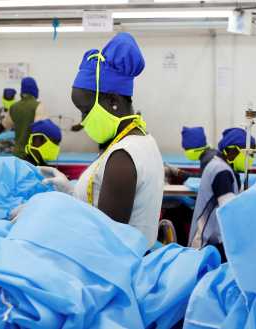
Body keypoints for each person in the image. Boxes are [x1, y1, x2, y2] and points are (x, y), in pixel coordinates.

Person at [40, 33, 164, 247]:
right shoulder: (141, 140)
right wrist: (70, 190)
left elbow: (104, 245)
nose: (83, 120)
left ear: (113, 101)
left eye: (86, 110)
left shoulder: (123, 157)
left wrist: (50, 216)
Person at [188, 127, 256, 261]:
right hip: (205, 245)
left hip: (212, 240)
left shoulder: (221, 166)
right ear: (233, 151)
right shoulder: (221, 172)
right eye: (249, 154)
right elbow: (230, 212)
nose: (252, 159)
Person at [2, 77, 48, 159]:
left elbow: (5, 125)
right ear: (35, 89)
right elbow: (40, 132)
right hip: (32, 154)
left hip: (17, 154)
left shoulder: (13, 107)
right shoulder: (38, 106)